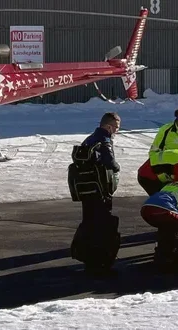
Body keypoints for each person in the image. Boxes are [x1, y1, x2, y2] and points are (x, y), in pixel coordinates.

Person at [68, 112, 121, 271]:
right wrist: (117, 168)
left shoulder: (89, 139)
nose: (117, 131)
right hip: (100, 191)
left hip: (86, 190)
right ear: (108, 126)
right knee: (102, 224)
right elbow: (110, 163)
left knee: (89, 222)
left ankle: (88, 257)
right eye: (116, 127)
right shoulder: (104, 140)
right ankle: (100, 261)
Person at [141, 165, 178, 271]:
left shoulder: (169, 185)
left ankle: (162, 258)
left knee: (166, 228)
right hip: (164, 209)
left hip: (146, 209)